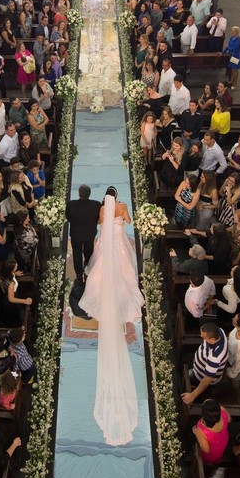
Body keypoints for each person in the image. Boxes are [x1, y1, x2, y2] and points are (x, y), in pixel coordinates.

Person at [78, 189, 146, 445]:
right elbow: (128, 222)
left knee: (99, 269)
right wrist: (122, 216)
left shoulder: (101, 209)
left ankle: (101, 294)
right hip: (117, 238)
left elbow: (98, 224)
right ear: (116, 197)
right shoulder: (122, 206)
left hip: (107, 240)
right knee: (125, 272)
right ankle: (122, 297)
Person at [181, 322, 227, 406]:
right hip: (199, 367)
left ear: (212, 339)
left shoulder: (215, 358)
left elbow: (206, 381)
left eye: (204, 337)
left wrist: (192, 396)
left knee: (186, 377)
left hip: (199, 376)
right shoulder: (220, 331)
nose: (201, 337)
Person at [193, 398, 231, 466]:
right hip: (223, 441)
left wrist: (197, 433)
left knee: (209, 462)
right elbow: (229, 420)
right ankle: (219, 461)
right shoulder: (223, 410)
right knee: (219, 455)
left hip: (213, 452)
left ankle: (210, 466)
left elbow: (206, 449)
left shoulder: (201, 429)